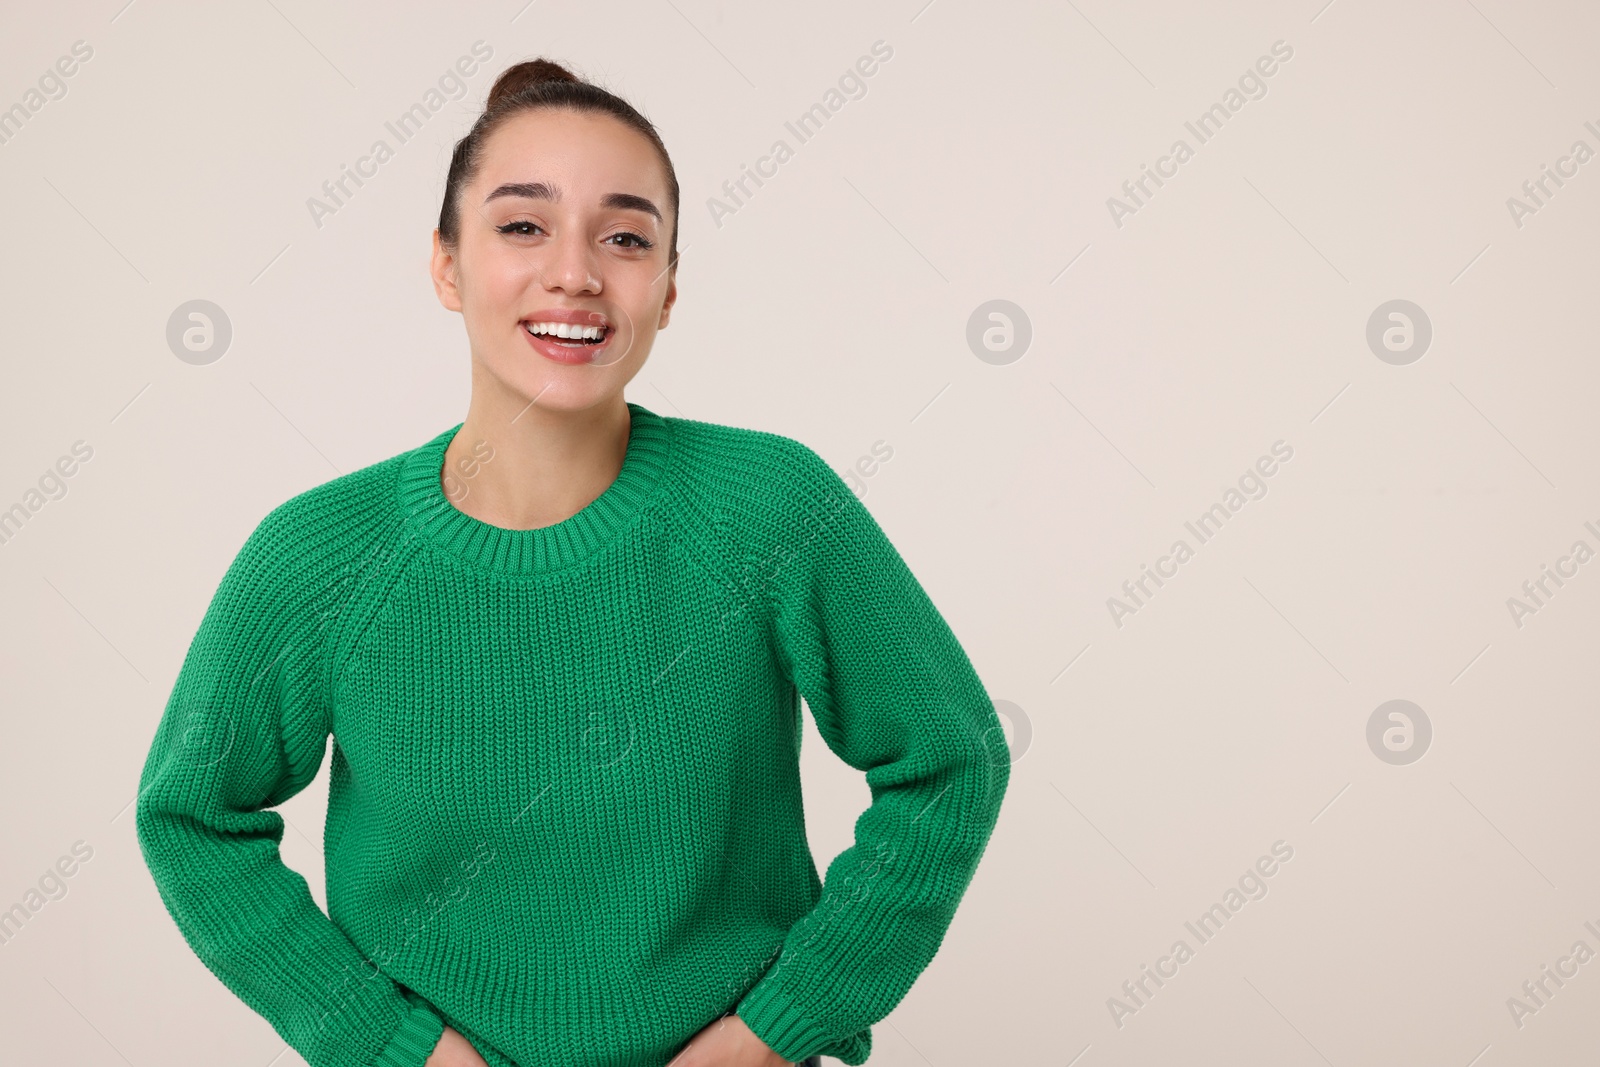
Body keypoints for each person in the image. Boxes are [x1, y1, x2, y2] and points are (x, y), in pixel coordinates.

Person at [134, 57, 1009, 1067]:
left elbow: (951, 757)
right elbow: (190, 812)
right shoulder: (320, 557)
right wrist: (387, 1044)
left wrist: (773, 1030)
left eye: (626, 237)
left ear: (669, 286)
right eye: (522, 225)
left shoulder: (769, 506)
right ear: (446, 265)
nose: (576, 272)